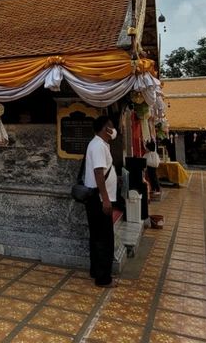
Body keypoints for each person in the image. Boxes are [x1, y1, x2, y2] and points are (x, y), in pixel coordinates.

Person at [84, 115, 119, 288]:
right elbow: (99, 172)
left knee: (98, 236)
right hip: (99, 200)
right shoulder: (98, 145)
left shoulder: (100, 144)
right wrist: (105, 199)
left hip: (98, 198)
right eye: (111, 127)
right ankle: (103, 277)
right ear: (106, 129)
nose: (114, 131)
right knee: (104, 239)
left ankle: (96, 270)